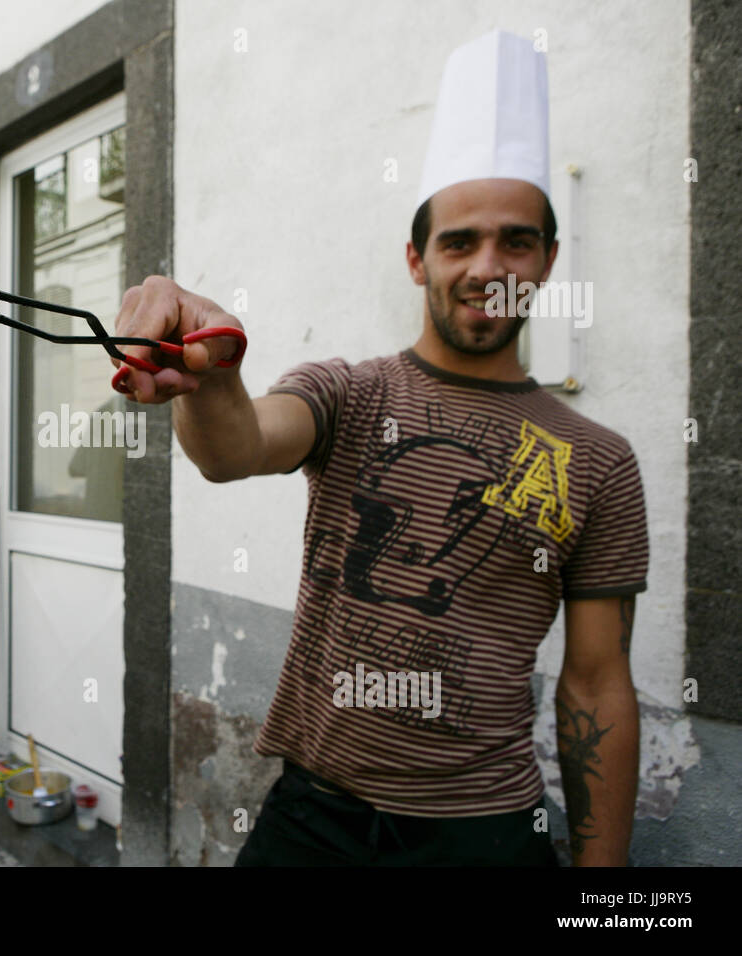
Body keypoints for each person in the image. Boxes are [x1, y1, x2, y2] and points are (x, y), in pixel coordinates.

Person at [110, 30, 648, 866]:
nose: (486, 265)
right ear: (416, 258)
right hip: (311, 820)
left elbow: (597, 680)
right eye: (458, 241)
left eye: (515, 240)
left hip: (486, 833)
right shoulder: (350, 393)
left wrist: (607, 887)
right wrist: (209, 363)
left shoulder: (599, 460)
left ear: (546, 260)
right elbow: (237, 448)